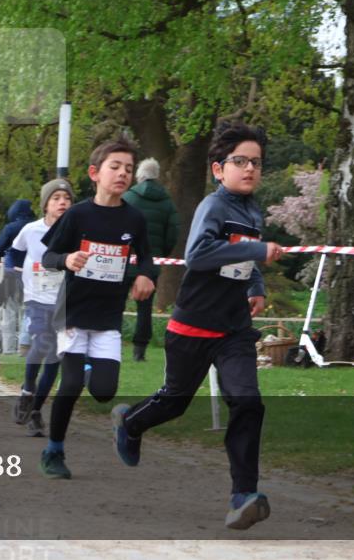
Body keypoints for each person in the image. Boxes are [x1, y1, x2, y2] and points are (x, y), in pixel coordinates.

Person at [110, 121, 282, 531]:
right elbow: (200, 254)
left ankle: (244, 495)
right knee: (175, 401)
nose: (250, 169)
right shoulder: (214, 206)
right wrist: (259, 249)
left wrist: (255, 282)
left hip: (234, 330)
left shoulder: (251, 209)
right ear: (218, 169)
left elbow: (242, 256)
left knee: (247, 402)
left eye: (256, 162)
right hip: (193, 325)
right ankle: (130, 422)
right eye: (240, 161)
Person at [38, 136, 156, 479]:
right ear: (95, 173)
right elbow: (48, 257)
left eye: (129, 169)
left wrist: (145, 276)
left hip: (108, 316)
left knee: (105, 393)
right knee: (71, 385)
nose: (122, 174)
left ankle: (93, 374)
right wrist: (67, 258)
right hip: (74, 312)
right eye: (114, 167)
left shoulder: (134, 219)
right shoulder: (77, 215)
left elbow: (146, 257)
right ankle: (53, 451)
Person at [8, 178, 74, 437]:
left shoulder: (75, 231)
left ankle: (35, 409)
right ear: (46, 204)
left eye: (67, 199)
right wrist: (10, 273)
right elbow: (13, 252)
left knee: (55, 358)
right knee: (42, 343)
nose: (62, 203)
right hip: (35, 297)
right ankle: (27, 390)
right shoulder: (30, 230)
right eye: (56, 198)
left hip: (64, 300)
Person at [122, 157, 179, 361]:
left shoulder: (128, 197)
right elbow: (173, 230)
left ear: (139, 175)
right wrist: (161, 253)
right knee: (145, 308)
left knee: (116, 303)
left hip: (125, 260)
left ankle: (109, 344)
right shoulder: (167, 202)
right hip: (151, 261)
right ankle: (140, 350)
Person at [0, 199, 35, 354]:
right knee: (29, 310)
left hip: (11, 274)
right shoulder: (36, 227)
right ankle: (26, 345)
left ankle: (9, 349)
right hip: (33, 274)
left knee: (10, 310)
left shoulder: (10, 228)